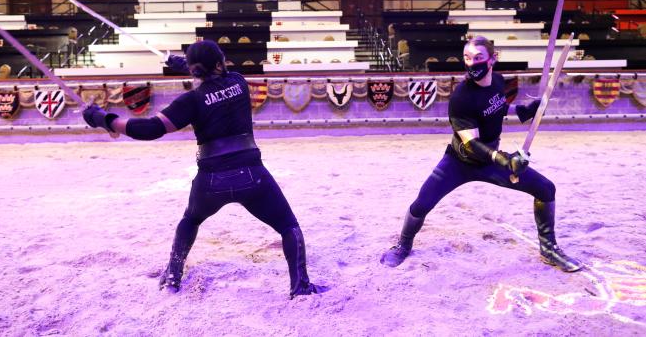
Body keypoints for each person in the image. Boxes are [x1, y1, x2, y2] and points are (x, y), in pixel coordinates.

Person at [83, 40, 326, 298]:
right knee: (289, 226)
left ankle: (173, 277)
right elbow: (217, 76)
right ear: (220, 63)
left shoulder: (191, 101)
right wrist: (185, 64)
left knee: (191, 220)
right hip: (252, 175)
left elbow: (149, 129)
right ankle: (300, 287)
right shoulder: (239, 83)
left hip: (210, 181)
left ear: (193, 70)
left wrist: (104, 119)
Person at [381, 36, 582, 272]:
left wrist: (523, 110)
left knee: (546, 189)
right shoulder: (461, 97)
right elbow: (471, 144)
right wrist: (504, 160)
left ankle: (548, 249)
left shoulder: (497, 81)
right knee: (422, 203)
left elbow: (496, 106)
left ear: (492, 59)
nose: (472, 63)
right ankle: (403, 245)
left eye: (478, 58)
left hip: (491, 161)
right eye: (467, 58)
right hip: (459, 162)